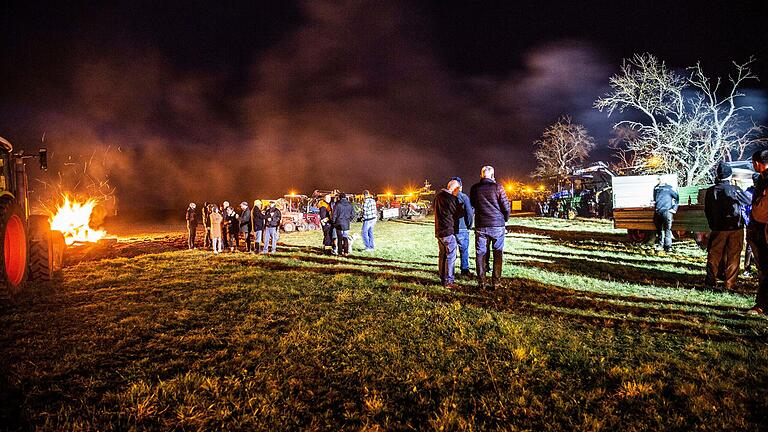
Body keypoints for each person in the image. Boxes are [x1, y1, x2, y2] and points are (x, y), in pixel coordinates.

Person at [704, 162, 751, 290]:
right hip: (735, 227)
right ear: (730, 175)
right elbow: (748, 201)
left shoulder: (710, 191)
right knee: (734, 255)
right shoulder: (734, 190)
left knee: (714, 254)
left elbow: (707, 210)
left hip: (717, 228)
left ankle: (710, 280)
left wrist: (712, 224)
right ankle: (730, 283)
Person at [469, 166, 510, 290]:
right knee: (497, 253)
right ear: (493, 175)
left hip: (481, 225)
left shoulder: (474, 189)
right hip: (497, 225)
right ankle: (496, 282)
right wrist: (505, 219)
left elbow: (473, 204)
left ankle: (481, 282)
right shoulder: (498, 187)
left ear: (481, 175)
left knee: (480, 253)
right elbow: (506, 207)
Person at [747, 149, 768, 315]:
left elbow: (761, 210)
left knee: (765, 269)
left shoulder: (765, 180)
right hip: (760, 230)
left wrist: (755, 212)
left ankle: (761, 305)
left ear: (756, 163)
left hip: (762, 230)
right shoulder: (762, 178)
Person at [434, 179, 463, 288]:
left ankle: (442, 277)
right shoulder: (451, 198)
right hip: (448, 230)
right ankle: (449, 281)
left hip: (439, 230)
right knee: (451, 256)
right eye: (458, 189)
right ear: (455, 188)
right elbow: (457, 213)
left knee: (442, 255)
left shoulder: (438, 196)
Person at [451, 177, 474, 276]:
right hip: (462, 227)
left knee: (451, 252)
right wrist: (469, 225)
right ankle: (464, 269)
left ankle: (449, 271)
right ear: (460, 187)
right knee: (464, 250)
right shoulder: (464, 197)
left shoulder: (448, 197)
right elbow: (469, 212)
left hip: (451, 227)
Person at [652, 177, 679, 252]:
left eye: (660, 179)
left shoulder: (669, 188)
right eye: (659, 179)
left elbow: (677, 198)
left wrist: (674, 208)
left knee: (667, 230)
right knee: (660, 230)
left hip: (666, 211)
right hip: (658, 211)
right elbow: (654, 199)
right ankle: (662, 245)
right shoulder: (656, 188)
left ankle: (667, 247)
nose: (659, 181)